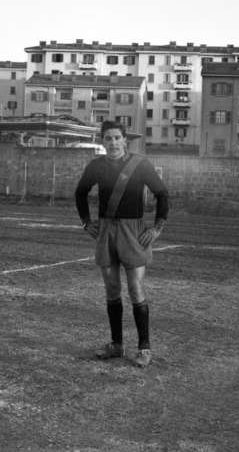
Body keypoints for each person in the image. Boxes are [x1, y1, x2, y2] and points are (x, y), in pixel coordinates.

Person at [75, 120, 169, 368]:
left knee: (135, 289)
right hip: (106, 231)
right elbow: (80, 192)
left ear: (125, 140)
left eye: (117, 137)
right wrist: (86, 222)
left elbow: (162, 194)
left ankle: (144, 348)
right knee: (112, 289)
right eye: (108, 138)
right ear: (102, 141)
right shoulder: (96, 166)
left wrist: (157, 228)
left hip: (133, 231)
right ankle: (116, 345)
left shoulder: (140, 164)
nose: (113, 142)